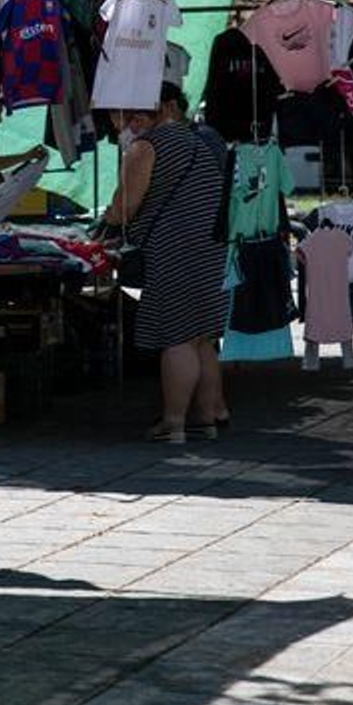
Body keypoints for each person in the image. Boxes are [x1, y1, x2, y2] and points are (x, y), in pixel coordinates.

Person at [102, 82, 231, 443]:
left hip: (176, 249)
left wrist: (108, 221)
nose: (118, 125)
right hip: (209, 248)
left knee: (176, 338)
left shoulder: (147, 146)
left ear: (138, 116)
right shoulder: (195, 140)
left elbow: (125, 207)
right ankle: (205, 419)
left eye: (118, 116)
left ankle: (173, 422)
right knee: (203, 338)